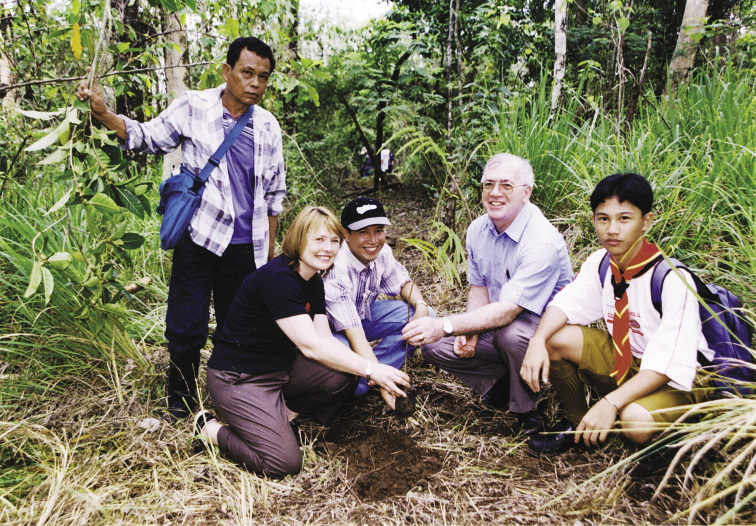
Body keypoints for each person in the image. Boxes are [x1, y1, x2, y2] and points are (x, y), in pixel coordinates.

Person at [76, 37, 286, 421]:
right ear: (227, 72)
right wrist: (104, 112)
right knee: (186, 324)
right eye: (247, 73)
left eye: (263, 77)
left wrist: (268, 257)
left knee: (236, 326)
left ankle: (230, 398)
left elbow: (274, 197)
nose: (255, 83)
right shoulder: (194, 106)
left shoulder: (268, 127)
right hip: (200, 237)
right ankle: (181, 399)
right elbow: (145, 137)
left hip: (245, 248)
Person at [193, 206, 410, 478]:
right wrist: (372, 369)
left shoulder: (313, 280)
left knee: (342, 376)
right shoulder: (278, 279)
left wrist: (372, 374)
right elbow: (310, 346)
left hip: (280, 370)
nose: (328, 249)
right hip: (239, 377)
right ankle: (211, 430)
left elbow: (324, 339)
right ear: (298, 240)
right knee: (284, 464)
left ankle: (285, 413)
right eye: (318, 240)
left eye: (334, 241)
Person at [521, 173, 713, 456]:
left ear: (646, 221)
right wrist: (537, 341)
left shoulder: (671, 279)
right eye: (603, 218)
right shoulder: (602, 263)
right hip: (630, 360)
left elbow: (667, 364)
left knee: (633, 420)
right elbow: (564, 305)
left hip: (682, 378)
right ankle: (579, 426)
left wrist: (610, 403)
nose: (612, 229)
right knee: (553, 338)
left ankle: (674, 442)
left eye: (624, 219)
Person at [402, 153, 573, 435]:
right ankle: (500, 385)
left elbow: (509, 310)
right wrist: (467, 329)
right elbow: (479, 287)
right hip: (503, 321)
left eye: (507, 185)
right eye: (488, 185)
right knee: (435, 346)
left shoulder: (542, 241)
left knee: (510, 334)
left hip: (545, 331)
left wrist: (446, 325)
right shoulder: (477, 230)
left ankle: (530, 410)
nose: (495, 193)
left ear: (526, 192)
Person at [324, 197, 431, 409]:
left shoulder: (381, 253)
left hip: (362, 317)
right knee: (355, 387)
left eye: (378, 230)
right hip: (333, 330)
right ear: (346, 235)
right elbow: (352, 331)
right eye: (363, 232)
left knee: (427, 319)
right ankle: (370, 377)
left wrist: (421, 306)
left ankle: (375, 371)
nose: (373, 240)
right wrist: (382, 382)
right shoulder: (337, 266)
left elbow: (403, 283)